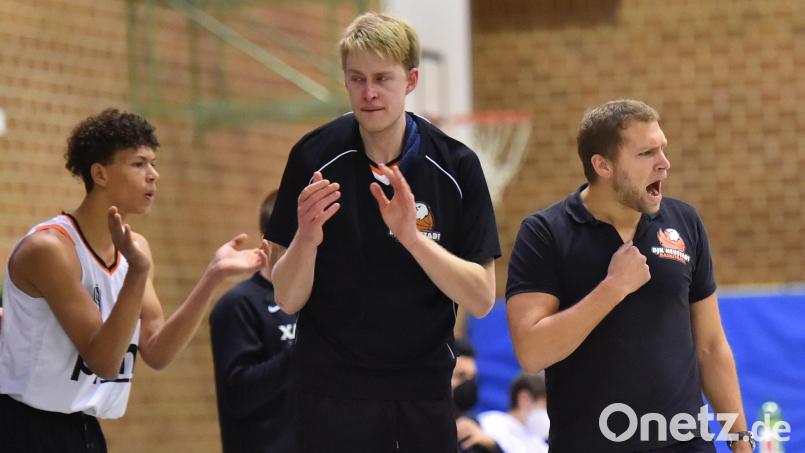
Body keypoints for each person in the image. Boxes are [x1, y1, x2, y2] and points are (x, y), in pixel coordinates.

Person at [266, 12, 501, 452]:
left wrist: (412, 239)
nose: (368, 93)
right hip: (332, 391)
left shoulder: (457, 166)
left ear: (411, 80)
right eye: (356, 79)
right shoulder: (312, 157)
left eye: (381, 79)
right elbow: (286, 297)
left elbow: (482, 297)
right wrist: (307, 238)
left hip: (423, 389)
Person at [0, 109, 268, 452]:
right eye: (139, 164)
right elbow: (103, 360)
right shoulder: (51, 249)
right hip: (25, 427)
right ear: (100, 173)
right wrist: (137, 273)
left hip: (84, 427)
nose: (153, 175)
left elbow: (157, 350)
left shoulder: (136, 247)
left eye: (154, 163)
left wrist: (212, 276)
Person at [506, 99, 753, 452]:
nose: (664, 164)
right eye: (647, 153)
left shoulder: (684, 222)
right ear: (602, 165)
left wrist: (741, 440)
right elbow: (532, 353)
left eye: (663, 149)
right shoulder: (545, 233)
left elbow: (711, 348)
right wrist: (613, 288)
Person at [209, 190, 298, 453]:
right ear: (271, 243)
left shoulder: (319, 302)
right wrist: (302, 350)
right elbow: (239, 395)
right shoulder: (239, 304)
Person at [452, 339, 504, 453]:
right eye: (461, 376)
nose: (468, 384)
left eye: (472, 377)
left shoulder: (471, 424)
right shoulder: (422, 421)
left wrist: (489, 445)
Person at [478, 373, 549, 453]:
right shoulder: (490, 424)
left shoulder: (540, 445)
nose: (548, 415)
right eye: (545, 408)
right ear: (524, 399)